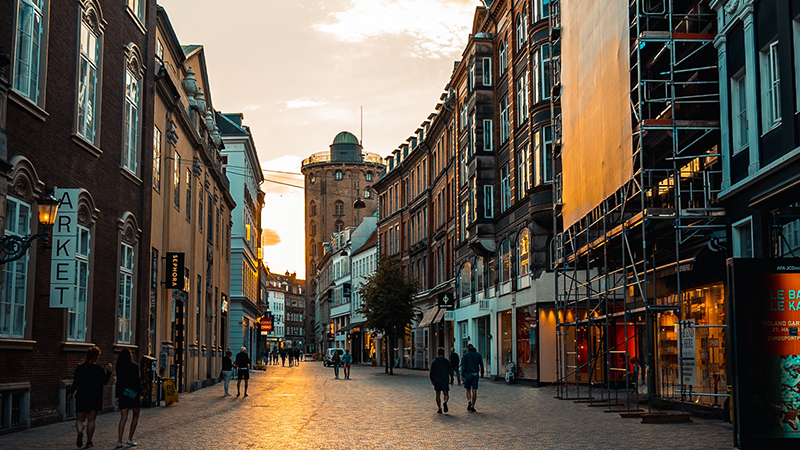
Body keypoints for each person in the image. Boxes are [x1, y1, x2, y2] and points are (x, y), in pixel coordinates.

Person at [67, 346, 112, 449]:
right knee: (91, 420)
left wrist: (71, 393)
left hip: (82, 396)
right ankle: (89, 441)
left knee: (80, 419)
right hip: (94, 397)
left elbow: (75, 382)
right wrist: (109, 371)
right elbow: (105, 381)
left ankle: (80, 431)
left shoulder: (80, 368)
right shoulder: (98, 369)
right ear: (95, 357)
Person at [115, 349, 142, 448]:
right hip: (134, 394)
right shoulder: (134, 366)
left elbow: (118, 382)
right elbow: (137, 381)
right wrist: (140, 394)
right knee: (135, 416)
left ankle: (119, 441)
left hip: (124, 394)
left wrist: (117, 396)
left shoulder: (119, 367)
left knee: (123, 418)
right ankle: (130, 438)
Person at [429, 347, 454, 414]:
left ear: (437, 353)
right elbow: (451, 371)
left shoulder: (434, 362)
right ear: (443, 353)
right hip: (445, 379)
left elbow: (431, 372)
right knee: (446, 394)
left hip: (437, 379)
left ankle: (439, 408)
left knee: (438, 394)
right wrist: (452, 379)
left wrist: (432, 379)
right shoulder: (447, 361)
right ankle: (445, 402)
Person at [461, 343, 484, 412]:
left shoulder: (465, 355)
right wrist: (482, 373)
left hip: (468, 374)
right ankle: (473, 405)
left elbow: (463, 366)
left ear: (468, 348)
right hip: (475, 374)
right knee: (474, 390)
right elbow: (481, 365)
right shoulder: (478, 355)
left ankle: (469, 401)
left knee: (467, 389)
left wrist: (462, 375)